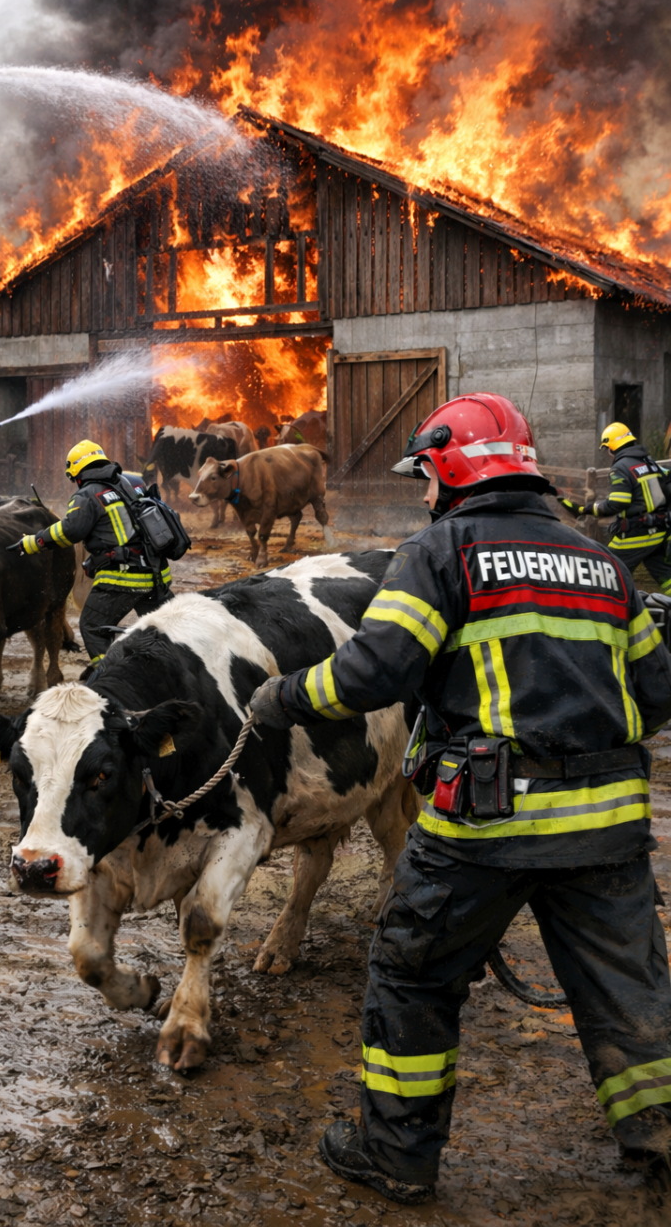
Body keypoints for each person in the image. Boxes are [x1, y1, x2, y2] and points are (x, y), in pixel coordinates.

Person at [248, 393, 671, 1205]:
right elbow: (656, 693)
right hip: (610, 827)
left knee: (413, 974)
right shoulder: (603, 563)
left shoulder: (441, 551)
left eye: (424, 478)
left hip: (485, 822)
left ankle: (395, 1154)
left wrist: (286, 696)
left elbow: (374, 671)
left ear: (446, 471)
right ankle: (659, 1138)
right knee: (628, 987)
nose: (422, 494)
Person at [7, 439, 173, 662]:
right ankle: (172, 674)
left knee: (93, 627)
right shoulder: (131, 483)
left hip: (123, 578)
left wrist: (33, 542)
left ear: (77, 472)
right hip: (157, 575)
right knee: (166, 632)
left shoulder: (87, 495)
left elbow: (70, 531)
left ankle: (109, 682)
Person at [561, 422, 671, 591]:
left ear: (611, 448)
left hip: (637, 534)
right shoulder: (649, 463)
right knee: (664, 575)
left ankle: (604, 610)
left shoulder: (620, 468)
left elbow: (618, 503)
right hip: (659, 531)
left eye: (607, 449)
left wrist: (590, 508)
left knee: (607, 571)